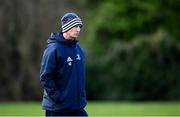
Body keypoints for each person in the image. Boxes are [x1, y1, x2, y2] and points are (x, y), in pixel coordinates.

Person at [40, 12, 88, 116]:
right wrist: (59, 97)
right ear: (66, 26)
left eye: (79, 26)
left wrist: (81, 96)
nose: (78, 29)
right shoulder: (53, 49)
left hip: (77, 107)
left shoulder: (78, 49)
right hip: (58, 109)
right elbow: (46, 77)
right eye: (75, 26)